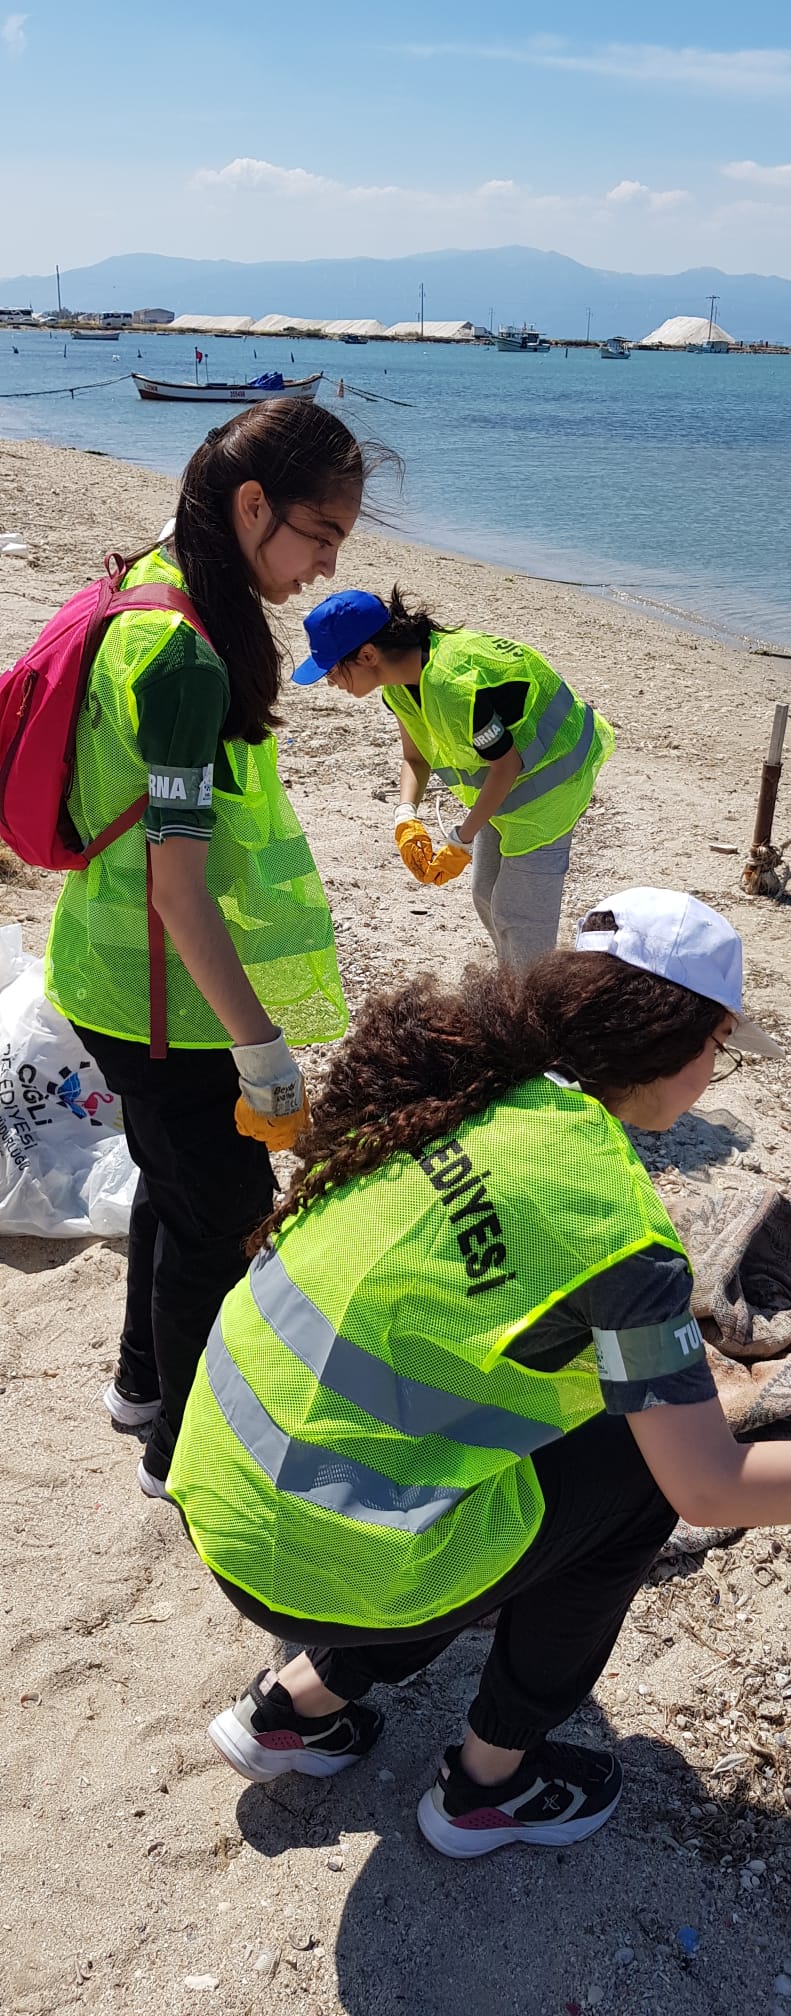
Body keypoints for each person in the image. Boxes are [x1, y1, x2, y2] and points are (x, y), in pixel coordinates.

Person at [167, 886, 791, 1859]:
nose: (711, 1073)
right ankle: (486, 1787)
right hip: (319, 1565)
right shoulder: (612, 1230)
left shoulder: (455, 1091)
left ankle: (295, 1705)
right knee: (636, 1482)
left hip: (218, 1492)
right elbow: (707, 1488)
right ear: (682, 1041)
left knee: (550, 1448)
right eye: (718, 1052)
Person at [44, 400, 390, 1498]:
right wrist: (262, 1051)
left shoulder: (143, 579)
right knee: (228, 1216)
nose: (323, 567)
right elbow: (178, 884)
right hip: (161, 995)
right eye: (320, 538)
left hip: (107, 965)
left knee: (174, 1183)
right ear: (253, 507)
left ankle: (140, 1385)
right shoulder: (184, 658)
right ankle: (180, 1454)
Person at [291, 585, 614, 968]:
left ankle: (532, 1001)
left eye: (331, 669)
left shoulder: (453, 690)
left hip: (552, 786)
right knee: (485, 895)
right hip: (507, 790)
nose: (330, 681)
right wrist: (405, 817)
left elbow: (506, 765)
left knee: (518, 914)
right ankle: (516, 983)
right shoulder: (398, 686)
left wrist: (460, 839)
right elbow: (414, 758)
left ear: (367, 654)